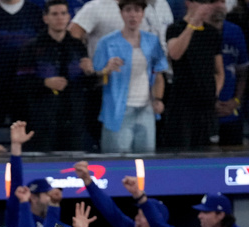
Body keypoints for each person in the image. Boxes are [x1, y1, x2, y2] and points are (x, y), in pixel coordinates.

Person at [92, 0, 168, 154]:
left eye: (137, 10)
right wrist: (106, 70)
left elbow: (158, 73)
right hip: (118, 111)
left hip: (146, 110)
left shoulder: (152, 41)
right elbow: (94, 78)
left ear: (143, 14)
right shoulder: (106, 43)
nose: (132, 15)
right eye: (128, 10)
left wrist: (158, 99)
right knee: (117, 161)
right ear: (121, 13)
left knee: (146, 162)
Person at [21, 0, 92, 152]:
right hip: (43, 120)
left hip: (74, 120)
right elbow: (21, 83)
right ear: (45, 18)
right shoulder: (32, 47)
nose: (59, 18)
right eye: (54, 14)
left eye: (63, 13)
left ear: (69, 17)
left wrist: (90, 72)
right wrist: (45, 83)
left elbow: (88, 84)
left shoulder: (78, 46)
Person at [162, 0, 223, 150]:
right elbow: (175, 54)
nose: (206, 7)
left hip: (206, 106)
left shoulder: (212, 33)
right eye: (202, 2)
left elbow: (219, 71)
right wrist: (192, 24)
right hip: (182, 105)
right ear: (189, 3)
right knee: (182, 151)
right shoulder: (175, 28)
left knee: (207, 151)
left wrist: (214, 91)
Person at [209, 0, 249, 146]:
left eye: (222, 2)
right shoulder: (197, 32)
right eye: (215, 3)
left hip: (231, 112)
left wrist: (236, 101)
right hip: (204, 115)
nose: (220, 6)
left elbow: (243, 72)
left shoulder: (235, 31)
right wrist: (210, 103)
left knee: (233, 159)